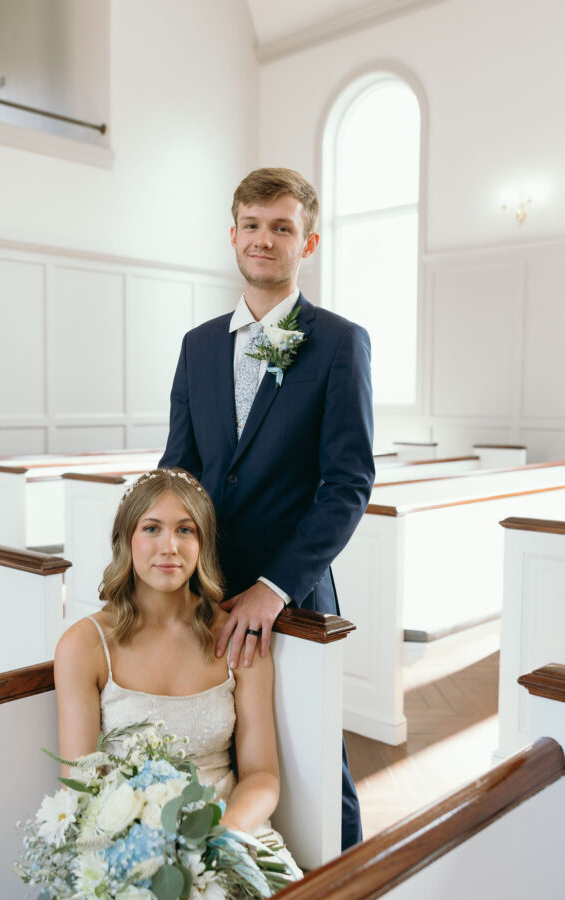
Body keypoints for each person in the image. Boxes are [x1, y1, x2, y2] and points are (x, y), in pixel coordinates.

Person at [159, 167, 375, 849]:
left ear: (306, 244)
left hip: (293, 593)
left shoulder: (340, 342)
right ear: (233, 235)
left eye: (282, 227)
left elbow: (348, 483)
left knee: (311, 748)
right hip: (205, 589)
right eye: (252, 225)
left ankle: (344, 886)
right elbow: (179, 472)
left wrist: (274, 588)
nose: (264, 239)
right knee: (218, 740)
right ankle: (237, 877)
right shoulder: (197, 346)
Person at [54, 467, 299, 866]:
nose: (169, 546)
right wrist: (144, 853)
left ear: (203, 543)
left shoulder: (237, 639)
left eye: (185, 530)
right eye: (152, 528)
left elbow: (261, 775)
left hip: (232, 832)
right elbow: (82, 782)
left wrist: (225, 837)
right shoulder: (84, 645)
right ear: (125, 539)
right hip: (128, 846)